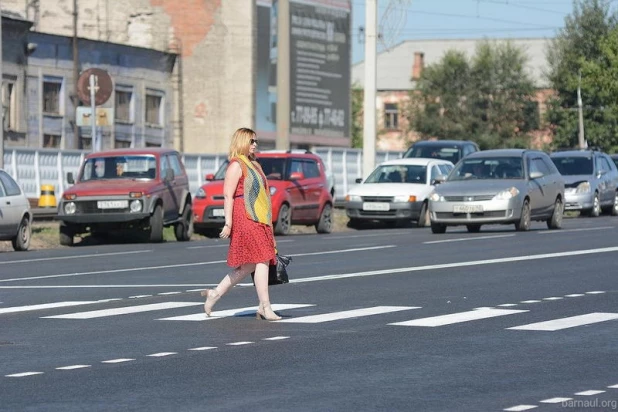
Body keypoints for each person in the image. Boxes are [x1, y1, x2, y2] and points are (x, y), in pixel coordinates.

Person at [200, 127, 281, 321]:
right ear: (242, 142)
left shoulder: (254, 164)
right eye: (251, 141)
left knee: (249, 266)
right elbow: (228, 196)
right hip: (245, 215)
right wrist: (228, 223)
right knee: (262, 258)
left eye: (255, 141)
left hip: (259, 217)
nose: (255, 144)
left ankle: (214, 294)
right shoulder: (237, 165)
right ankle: (265, 306)